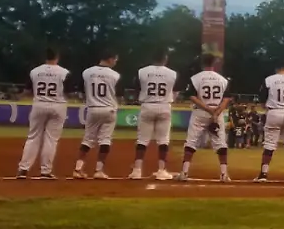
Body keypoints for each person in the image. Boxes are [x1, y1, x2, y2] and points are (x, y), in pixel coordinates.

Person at [17, 48, 70, 179]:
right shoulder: (64, 72)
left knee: (33, 137)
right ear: (57, 57)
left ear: (45, 57)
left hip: (39, 105)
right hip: (57, 106)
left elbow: (27, 91)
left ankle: (23, 169)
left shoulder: (35, 71)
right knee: (51, 139)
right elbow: (68, 92)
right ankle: (45, 171)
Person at [177, 53, 231, 182]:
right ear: (214, 63)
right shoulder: (223, 79)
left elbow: (192, 97)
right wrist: (216, 113)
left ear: (202, 63)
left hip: (200, 112)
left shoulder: (195, 78)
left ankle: (184, 172)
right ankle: (224, 174)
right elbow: (226, 99)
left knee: (191, 141)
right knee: (220, 143)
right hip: (217, 113)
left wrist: (207, 109)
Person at [73, 53, 122, 179]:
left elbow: (82, 90)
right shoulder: (115, 75)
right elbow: (119, 93)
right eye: (115, 60)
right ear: (110, 59)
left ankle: (78, 169)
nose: (115, 62)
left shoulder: (87, 72)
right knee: (105, 140)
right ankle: (99, 170)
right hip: (109, 109)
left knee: (88, 139)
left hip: (93, 108)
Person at [130, 50, 177, 180]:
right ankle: (161, 170)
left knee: (142, 140)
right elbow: (176, 91)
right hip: (164, 106)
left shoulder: (142, 71)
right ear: (165, 59)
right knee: (163, 140)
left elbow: (135, 89)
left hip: (147, 105)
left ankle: (137, 170)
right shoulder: (172, 73)